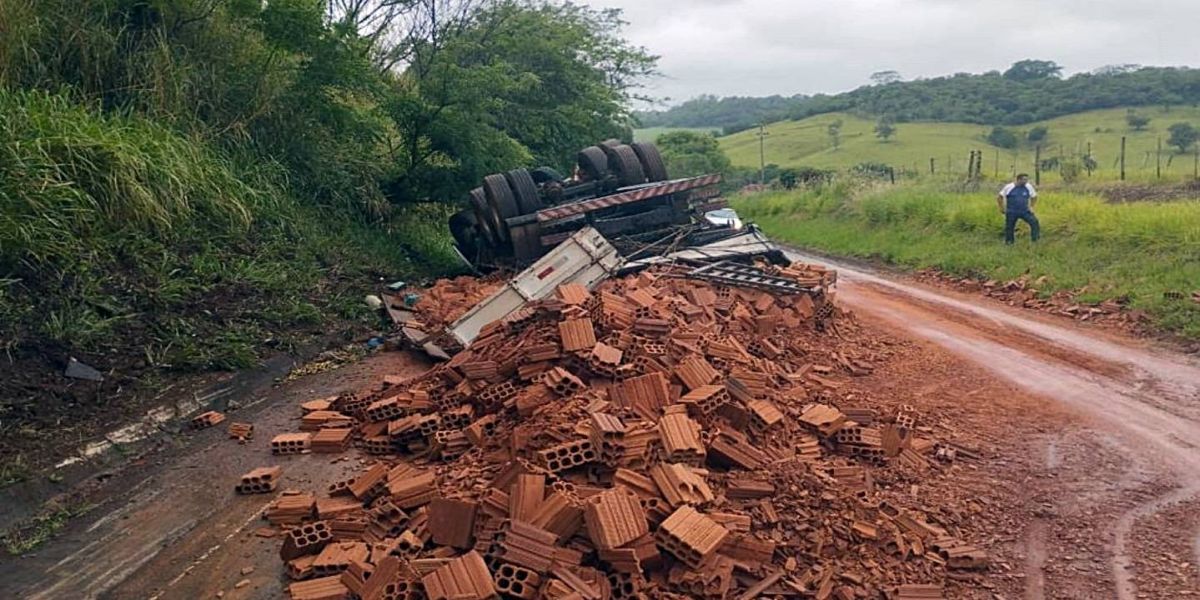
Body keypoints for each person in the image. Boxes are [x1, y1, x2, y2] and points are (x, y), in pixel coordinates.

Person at [997, 173, 1040, 244]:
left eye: (1027, 180)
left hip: (1025, 211)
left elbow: (1034, 197)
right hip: (1012, 211)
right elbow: (1000, 197)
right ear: (1018, 180)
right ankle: (1009, 243)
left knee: (1034, 222)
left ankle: (1035, 240)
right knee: (1009, 227)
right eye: (1024, 180)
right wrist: (1001, 208)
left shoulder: (1028, 187)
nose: (1026, 181)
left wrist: (1031, 207)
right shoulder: (1009, 187)